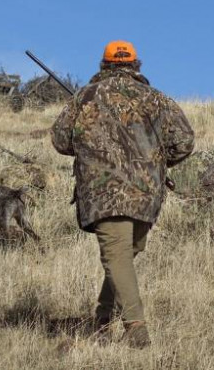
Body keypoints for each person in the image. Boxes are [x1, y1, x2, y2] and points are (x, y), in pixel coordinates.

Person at [51, 40, 195, 348]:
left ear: (104, 64)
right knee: (122, 257)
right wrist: (155, 158)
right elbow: (184, 141)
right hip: (146, 193)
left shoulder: (86, 97)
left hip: (102, 191)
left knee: (120, 258)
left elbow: (60, 140)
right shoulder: (157, 99)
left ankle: (137, 331)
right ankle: (103, 322)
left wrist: (91, 139)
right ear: (135, 64)